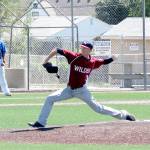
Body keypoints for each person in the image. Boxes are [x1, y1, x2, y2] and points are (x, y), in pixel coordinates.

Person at [28, 41, 135, 128]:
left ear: (89, 50)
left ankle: (124, 115)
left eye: (85, 48)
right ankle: (41, 123)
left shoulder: (93, 62)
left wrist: (112, 58)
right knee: (49, 99)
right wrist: (45, 60)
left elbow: (104, 62)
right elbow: (56, 50)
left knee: (99, 109)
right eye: (81, 47)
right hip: (69, 90)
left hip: (82, 91)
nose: (82, 49)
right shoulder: (73, 56)